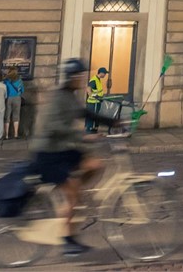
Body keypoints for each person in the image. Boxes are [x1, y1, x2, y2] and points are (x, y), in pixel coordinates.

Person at [30, 57, 115, 257]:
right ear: (70, 77)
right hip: (48, 153)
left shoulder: (70, 96)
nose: (82, 79)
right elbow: (53, 128)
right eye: (79, 76)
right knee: (72, 193)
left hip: (63, 149)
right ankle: (68, 240)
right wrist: (83, 136)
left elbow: (86, 113)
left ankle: (72, 196)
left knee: (95, 164)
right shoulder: (58, 97)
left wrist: (114, 122)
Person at [85, 66, 108, 132]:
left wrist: (100, 97)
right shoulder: (94, 80)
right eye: (105, 73)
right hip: (92, 103)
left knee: (96, 116)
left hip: (97, 102)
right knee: (91, 117)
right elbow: (88, 89)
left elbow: (98, 90)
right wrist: (95, 96)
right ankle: (89, 130)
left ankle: (94, 129)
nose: (105, 75)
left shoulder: (98, 80)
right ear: (101, 73)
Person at [5, 69, 25, 139]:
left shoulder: (6, 81)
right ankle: (16, 134)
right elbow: (22, 90)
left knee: (7, 116)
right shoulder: (19, 81)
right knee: (16, 116)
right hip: (17, 98)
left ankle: (6, 135)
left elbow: (4, 90)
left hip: (8, 98)